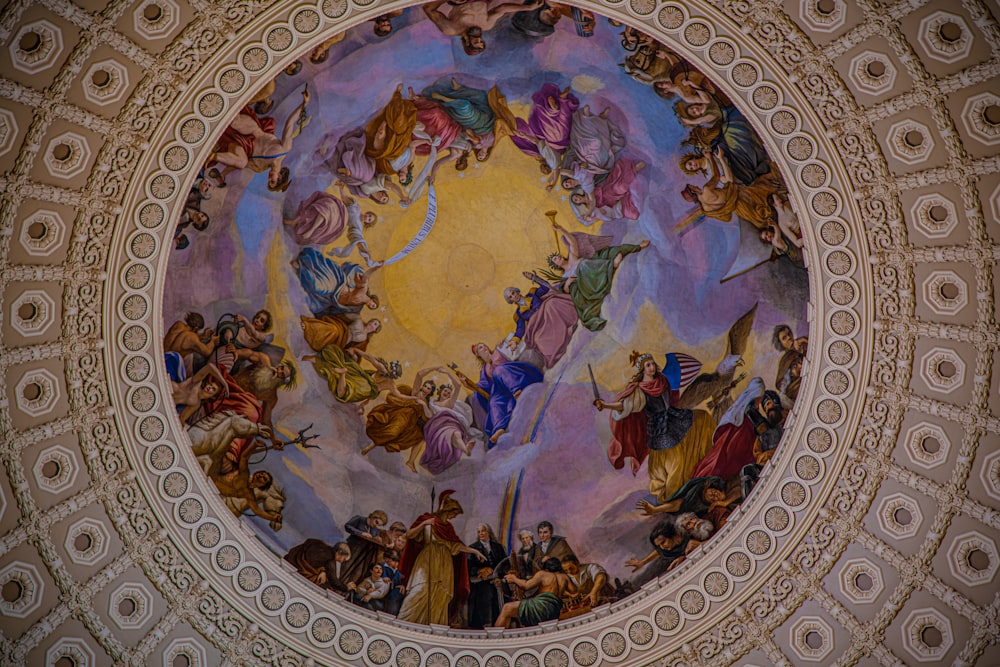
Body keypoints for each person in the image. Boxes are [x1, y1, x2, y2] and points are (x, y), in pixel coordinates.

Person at [595, 351, 717, 501]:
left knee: (702, 419)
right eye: (648, 365)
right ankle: (675, 492)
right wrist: (606, 405)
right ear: (643, 370)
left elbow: (672, 396)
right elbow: (624, 405)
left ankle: (706, 462)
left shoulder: (662, 380)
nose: (652, 367)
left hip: (673, 416)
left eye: (652, 363)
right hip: (659, 427)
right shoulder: (640, 390)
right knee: (672, 460)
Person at [397, 491, 486, 626]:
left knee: (441, 596)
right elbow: (409, 535)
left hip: (445, 565)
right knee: (419, 589)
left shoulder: (448, 527)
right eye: (453, 513)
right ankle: (403, 622)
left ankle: (434, 627)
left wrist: (474, 551)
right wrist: (424, 523)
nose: (452, 516)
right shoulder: (427, 519)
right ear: (446, 510)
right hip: (427, 559)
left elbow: (455, 546)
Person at [547, 219, 649, 331]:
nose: (559, 258)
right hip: (589, 284)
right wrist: (568, 283)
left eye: (557, 256)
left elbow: (572, 242)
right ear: (556, 265)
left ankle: (638, 247)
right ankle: (611, 265)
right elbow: (566, 290)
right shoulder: (565, 276)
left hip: (595, 270)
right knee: (581, 269)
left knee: (594, 258)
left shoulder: (572, 257)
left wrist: (561, 229)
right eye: (555, 259)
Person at [208, 86, 309, 191]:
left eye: (269, 181)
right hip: (251, 130)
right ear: (279, 177)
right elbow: (290, 123)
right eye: (272, 181)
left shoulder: (259, 167)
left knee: (242, 163)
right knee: (234, 122)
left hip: (239, 144)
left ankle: (213, 156)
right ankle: (218, 96)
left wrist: (224, 173)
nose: (269, 178)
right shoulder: (284, 148)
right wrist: (303, 105)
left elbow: (235, 162)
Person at [689, 379, 785, 483]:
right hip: (742, 432)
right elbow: (761, 428)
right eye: (764, 403)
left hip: (737, 431)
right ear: (759, 393)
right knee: (729, 457)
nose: (763, 403)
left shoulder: (744, 404)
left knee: (722, 456)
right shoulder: (750, 408)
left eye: (768, 404)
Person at [460, 341, 544, 444]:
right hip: (503, 391)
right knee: (494, 401)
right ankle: (499, 428)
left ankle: (518, 390)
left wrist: (509, 344)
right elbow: (485, 386)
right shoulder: (485, 371)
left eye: (484, 345)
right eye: (481, 348)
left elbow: (512, 352)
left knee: (499, 370)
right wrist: (469, 386)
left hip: (514, 376)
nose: (485, 347)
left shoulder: (498, 352)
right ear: (478, 354)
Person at [363, 367, 438, 471]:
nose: (425, 388)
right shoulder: (416, 393)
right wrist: (434, 368)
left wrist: (424, 405)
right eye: (425, 386)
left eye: (428, 388)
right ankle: (369, 447)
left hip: (409, 424)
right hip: (400, 416)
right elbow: (419, 374)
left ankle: (410, 462)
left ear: (431, 392)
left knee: (407, 437)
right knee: (390, 432)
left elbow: (429, 416)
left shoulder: (426, 402)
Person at [504, 271, 578, 369]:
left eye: (513, 293)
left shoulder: (532, 293)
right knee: (538, 339)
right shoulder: (518, 314)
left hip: (547, 312)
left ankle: (570, 325)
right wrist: (514, 341)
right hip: (539, 324)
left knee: (551, 304)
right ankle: (566, 336)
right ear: (511, 301)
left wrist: (534, 278)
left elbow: (546, 288)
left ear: (517, 291)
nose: (514, 296)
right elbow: (520, 329)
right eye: (511, 297)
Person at [283, 183, 378, 259]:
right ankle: (294, 221)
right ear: (368, 212)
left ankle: (310, 230)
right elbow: (345, 199)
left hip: (339, 222)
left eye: (369, 220)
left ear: (367, 223)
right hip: (339, 207)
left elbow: (357, 239)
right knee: (324, 206)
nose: (367, 217)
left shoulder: (357, 225)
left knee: (327, 212)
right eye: (369, 215)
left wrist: (364, 249)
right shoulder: (357, 207)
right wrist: (341, 188)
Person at [422, 0, 539, 55]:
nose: (479, 38)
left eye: (475, 42)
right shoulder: (486, 25)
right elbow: (502, 8)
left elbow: (428, 8)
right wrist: (528, 8)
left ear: (466, 42)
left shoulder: (451, 29)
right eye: (481, 41)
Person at [292, 247, 381, 319]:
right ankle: (301, 267)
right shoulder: (363, 292)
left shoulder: (358, 307)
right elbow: (365, 277)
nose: (371, 305)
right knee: (317, 286)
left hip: (332, 297)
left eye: (372, 307)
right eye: (373, 304)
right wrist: (375, 268)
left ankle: (302, 272)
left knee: (314, 306)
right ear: (373, 299)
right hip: (337, 286)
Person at [420, 375, 484, 474]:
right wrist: (424, 405)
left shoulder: (449, 403)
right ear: (440, 391)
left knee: (456, 433)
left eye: (449, 393)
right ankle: (464, 447)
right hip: (438, 426)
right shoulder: (432, 403)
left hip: (452, 423)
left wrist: (446, 372)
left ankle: (465, 448)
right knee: (448, 434)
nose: (446, 393)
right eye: (445, 391)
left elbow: (457, 386)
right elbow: (429, 416)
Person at [303, 345, 403, 405]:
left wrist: (355, 350)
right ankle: (342, 373)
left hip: (362, 381)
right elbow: (400, 395)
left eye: (391, 367)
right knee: (342, 393)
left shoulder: (382, 370)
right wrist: (414, 398)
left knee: (341, 384)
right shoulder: (390, 383)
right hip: (363, 387)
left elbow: (369, 357)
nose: (389, 368)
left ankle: (341, 372)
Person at [497, 557, 576, 628]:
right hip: (554, 611)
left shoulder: (543, 574)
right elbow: (574, 592)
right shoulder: (564, 577)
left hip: (541, 608)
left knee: (507, 608)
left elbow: (526, 585)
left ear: (546, 568)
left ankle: (496, 637)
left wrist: (514, 579)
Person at [466, 524, 508, 629]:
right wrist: (480, 570)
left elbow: (505, 564)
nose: (481, 533)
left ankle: (501, 623)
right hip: (480, 581)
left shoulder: (498, 547)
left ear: (488, 532)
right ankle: (485, 624)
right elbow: (469, 568)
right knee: (485, 592)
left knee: (504, 592)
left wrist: (498, 574)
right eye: (479, 532)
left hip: (497, 578)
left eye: (483, 531)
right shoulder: (473, 548)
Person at [284, 540, 355, 596]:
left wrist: (322, 570)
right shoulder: (330, 560)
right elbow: (334, 581)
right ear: (340, 552)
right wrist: (346, 588)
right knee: (326, 586)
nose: (342, 561)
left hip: (291, 560)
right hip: (301, 570)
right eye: (344, 559)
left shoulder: (321, 545)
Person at [341, 510, 389, 585]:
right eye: (376, 522)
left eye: (378, 525)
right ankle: (338, 586)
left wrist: (378, 539)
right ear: (373, 517)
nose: (376, 526)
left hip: (364, 553)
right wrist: (361, 533)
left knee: (358, 572)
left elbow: (375, 537)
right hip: (352, 548)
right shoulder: (359, 519)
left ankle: (346, 589)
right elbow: (347, 526)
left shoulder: (375, 530)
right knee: (346, 567)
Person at [380, 549, 406, 615]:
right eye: (385, 559)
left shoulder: (398, 571)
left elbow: (400, 581)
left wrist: (402, 585)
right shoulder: (383, 566)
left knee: (398, 594)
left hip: (393, 589)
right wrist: (384, 577)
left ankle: (394, 615)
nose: (387, 562)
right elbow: (382, 574)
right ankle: (390, 614)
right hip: (383, 588)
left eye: (389, 560)